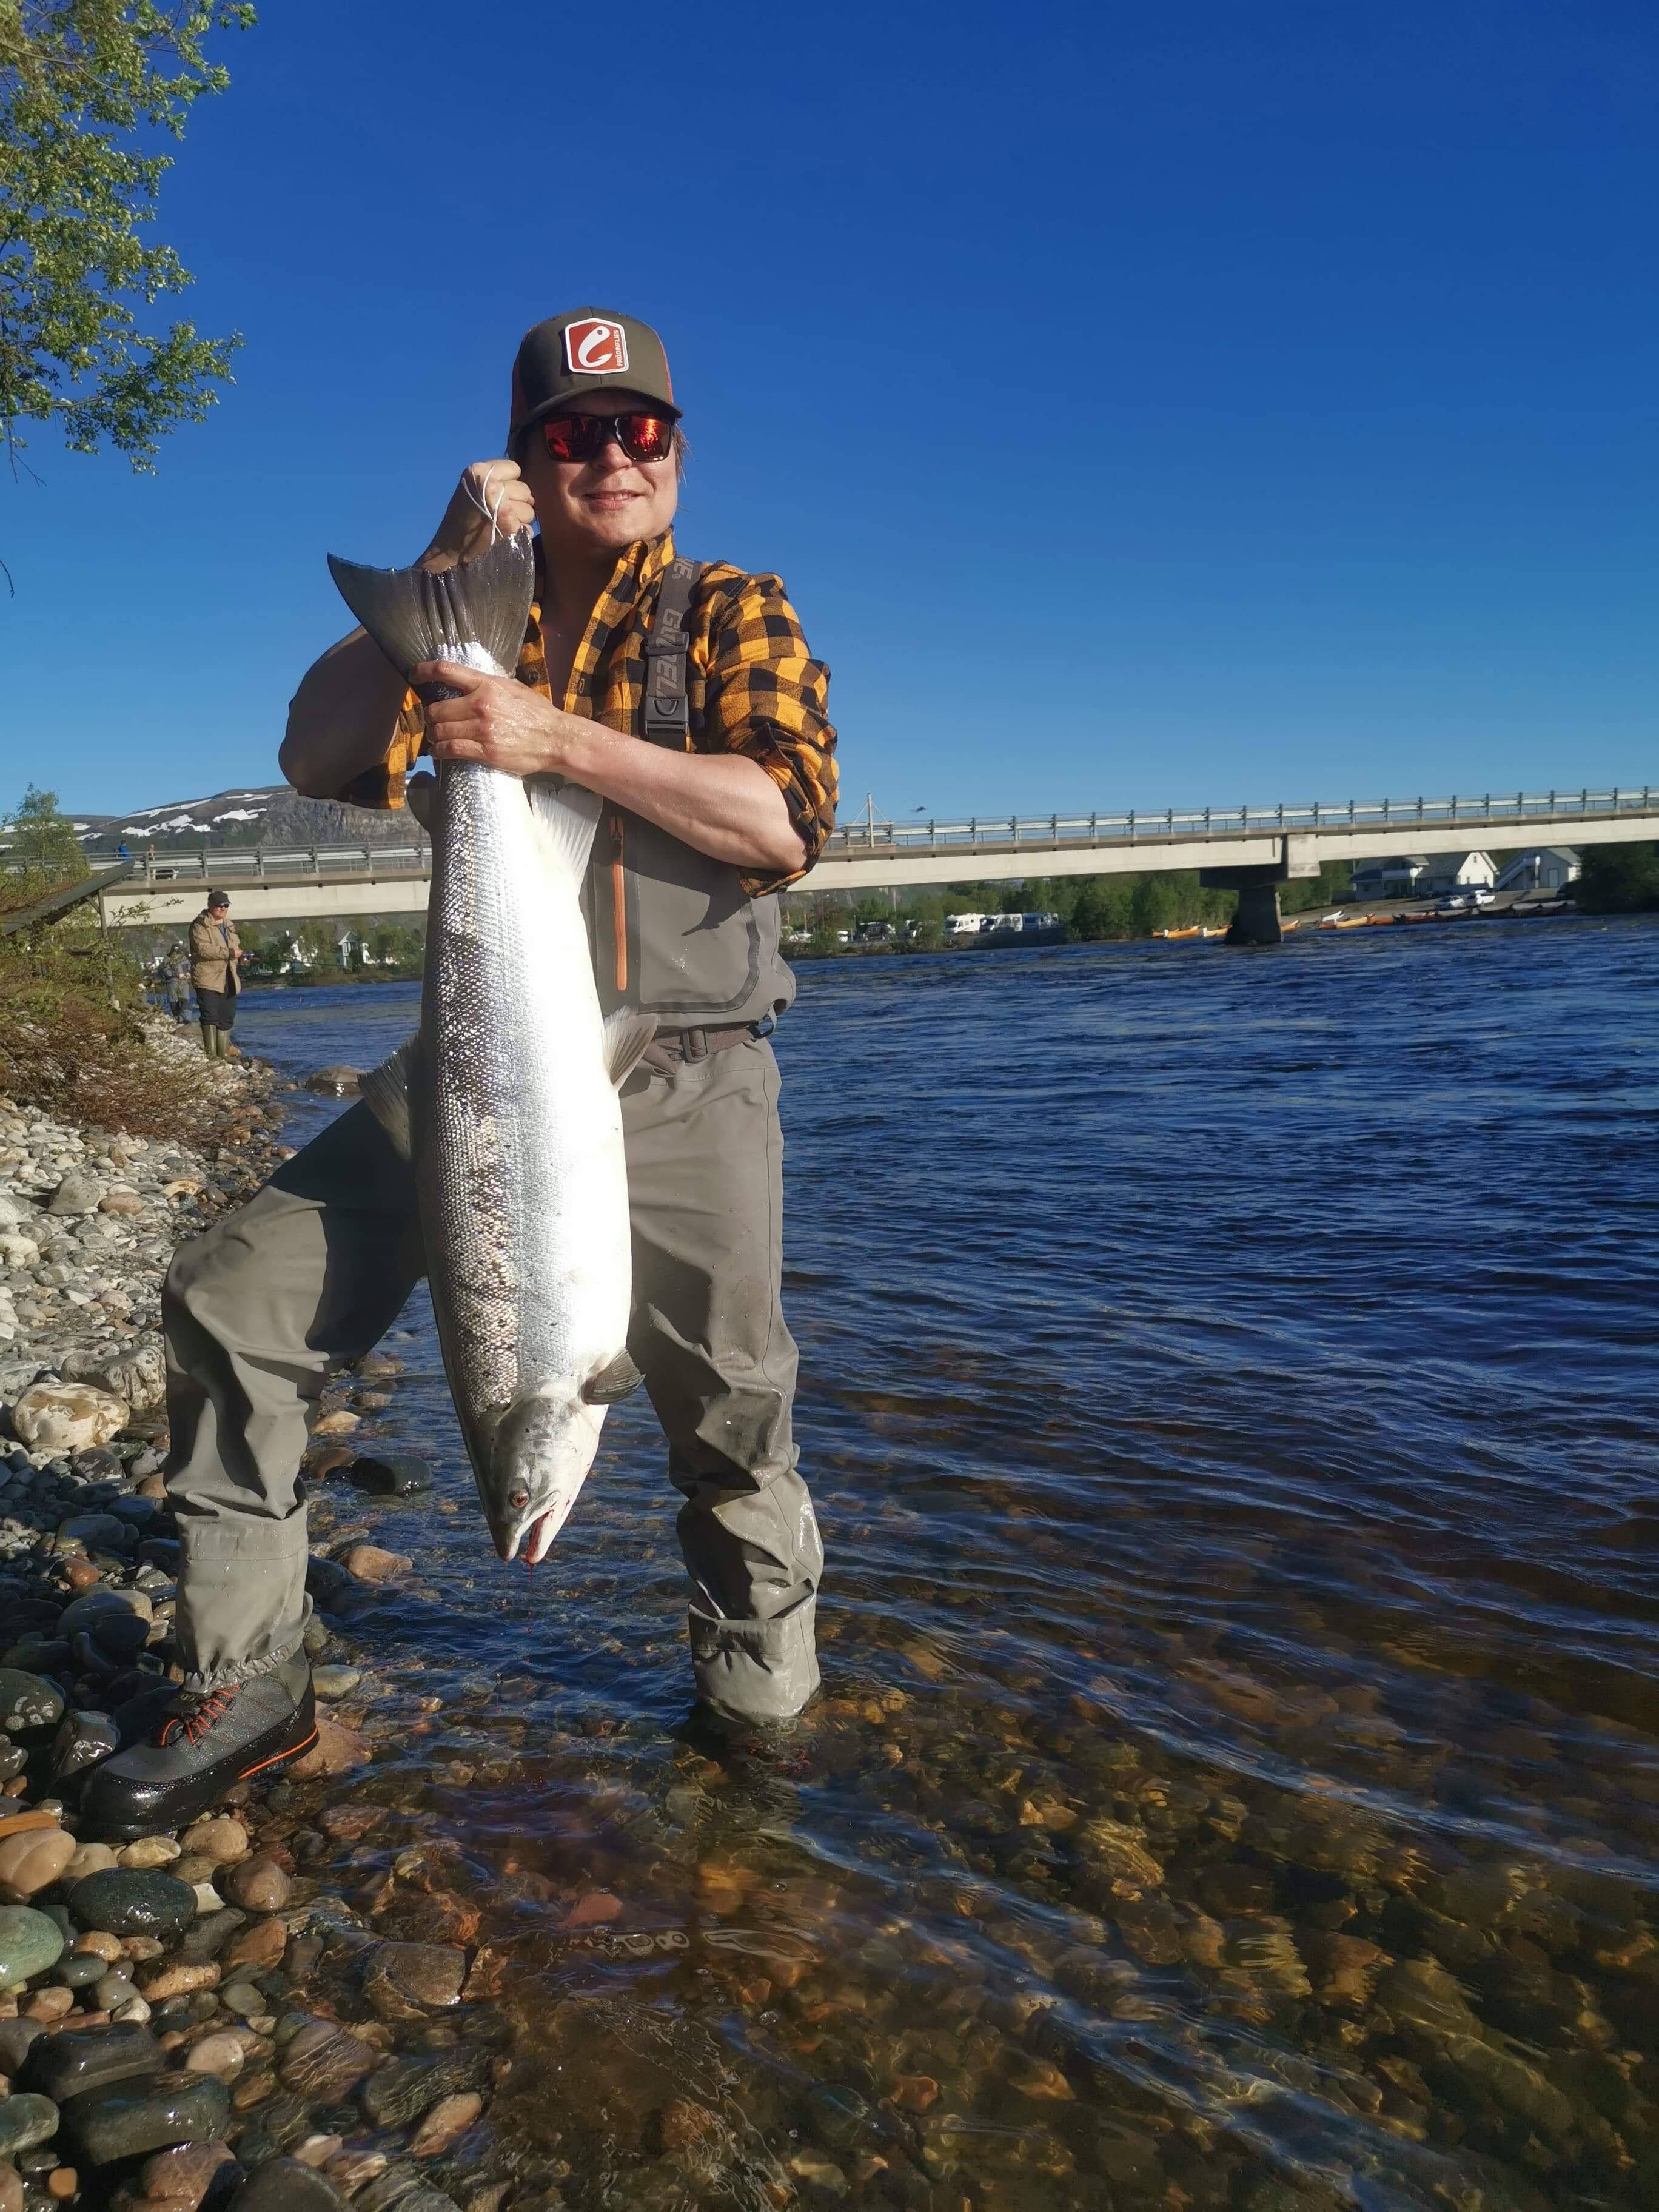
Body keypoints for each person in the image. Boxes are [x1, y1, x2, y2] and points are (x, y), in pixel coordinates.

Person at [84, 306, 838, 1836]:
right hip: (486, 1066)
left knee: (731, 1423)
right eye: (576, 433)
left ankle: (759, 1726)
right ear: (528, 457)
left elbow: (779, 821)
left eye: (640, 429)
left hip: (687, 1072)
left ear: (676, 450)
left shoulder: (729, 608)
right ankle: (251, 1676)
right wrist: (438, 574)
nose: (613, 455)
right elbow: (314, 757)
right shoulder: (468, 615)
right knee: (231, 1301)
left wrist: (550, 742)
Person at [189, 891, 244, 1059]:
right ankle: (212, 1057)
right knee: (210, 1016)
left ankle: (223, 1055)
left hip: (229, 977)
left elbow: (234, 949)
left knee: (227, 1016)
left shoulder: (230, 926)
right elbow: (203, 949)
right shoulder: (200, 925)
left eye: (226, 905)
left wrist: (240, 957)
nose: (223, 908)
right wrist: (230, 953)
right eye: (219, 905)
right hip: (207, 978)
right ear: (210, 906)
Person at [165, 943, 190, 1025]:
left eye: (178, 951)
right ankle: (176, 1019)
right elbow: (166, 971)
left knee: (185, 1001)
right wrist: (177, 975)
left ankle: (186, 1020)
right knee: (174, 1002)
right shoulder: (168, 959)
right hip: (172, 983)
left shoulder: (184, 958)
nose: (176, 953)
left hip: (184, 983)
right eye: (175, 951)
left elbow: (189, 967)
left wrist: (188, 973)